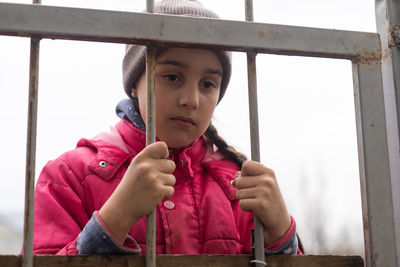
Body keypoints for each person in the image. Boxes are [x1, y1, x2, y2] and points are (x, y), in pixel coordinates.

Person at [33, 0, 301, 255]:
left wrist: (281, 235)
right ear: (134, 84)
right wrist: (115, 218)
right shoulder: (69, 177)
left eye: (208, 84)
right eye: (172, 77)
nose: (191, 100)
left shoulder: (240, 187)